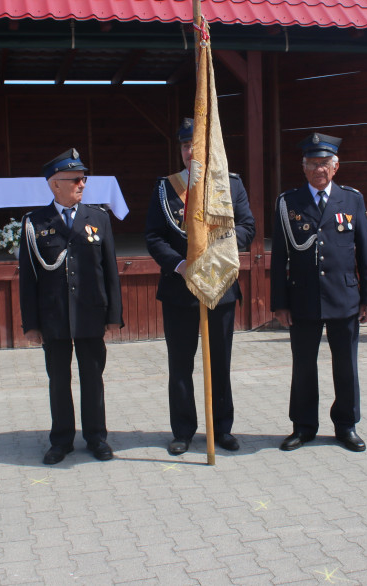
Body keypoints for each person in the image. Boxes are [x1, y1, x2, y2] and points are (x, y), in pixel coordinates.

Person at [145, 118, 256, 455]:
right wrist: (179, 264)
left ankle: (222, 428)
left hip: (219, 287)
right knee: (181, 365)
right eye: (184, 145)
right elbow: (153, 235)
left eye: (195, 144)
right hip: (179, 290)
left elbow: (248, 227)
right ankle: (183, 431)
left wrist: (220, 249)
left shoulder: (231, 185)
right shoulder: (166, 188)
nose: (189, 151)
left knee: (220, 363)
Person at [270, 133, 367, 453]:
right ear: (303, 168)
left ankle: (346, 425)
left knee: (346, 365)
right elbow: (279, 258)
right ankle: (303, 427)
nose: (319, 169)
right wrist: (280, 303)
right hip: (303, 298)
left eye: (325, 163)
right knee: (303, 366)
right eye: (313, 164)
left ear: (336, 166)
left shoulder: (352, 199)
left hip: (344, 297)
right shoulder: (289, 202)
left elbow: (365, 252)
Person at [19, 148, 123, 465]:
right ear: (55, 184)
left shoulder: (99, 219)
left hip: (91, 313)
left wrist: (113, 316)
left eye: (84, 178)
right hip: (55, 317)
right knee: (59, 380)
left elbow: (110, 271)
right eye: (75, 179)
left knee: (93, 378)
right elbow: (28, 279)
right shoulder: (35, 223)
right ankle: (61, 440)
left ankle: (96, 438)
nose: (82, 183)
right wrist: (31, 324)